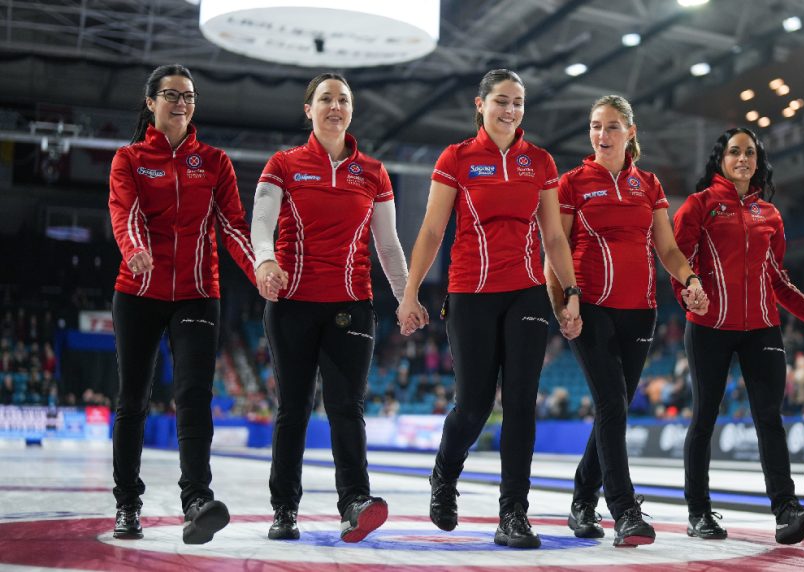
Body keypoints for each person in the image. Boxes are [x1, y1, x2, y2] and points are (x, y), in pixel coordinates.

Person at [396, 69, 581, 549]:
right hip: (470, 294)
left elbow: (555, 236)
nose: (511, 110)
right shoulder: (457, 158)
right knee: (474, 406)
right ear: (479, 104)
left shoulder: (538, 161)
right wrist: (411, 292)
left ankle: (513, 514)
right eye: (501, 100)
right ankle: (444, 474)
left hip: (525, 292)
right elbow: (433, 231)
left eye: (518, 102)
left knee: (521, 404)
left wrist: (571, 292)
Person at [250, 72, 410, 544]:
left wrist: (406, 297)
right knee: (293, 409)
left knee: (347, 408)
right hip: (292, 305)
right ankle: (284, 509)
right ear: (309, 109)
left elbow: (388, 246)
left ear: (352, 111)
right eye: (325, 99)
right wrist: (266, 261)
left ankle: (354, 504)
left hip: (352, 308)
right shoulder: (282, 165)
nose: (335, 106)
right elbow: (261, 224)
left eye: (343, 99)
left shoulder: (374, 173)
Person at [545, 95, 707, 547]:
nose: (602, 135)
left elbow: (668, 249)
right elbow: (554, 251)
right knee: (613, 406)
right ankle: (624, 510)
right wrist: (564, 304)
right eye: (596, 126)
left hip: (641, 311)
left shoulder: (649, 184)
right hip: (590, 307)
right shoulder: (573, 182)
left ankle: (581, 500)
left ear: (630, 132)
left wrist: (690, 278)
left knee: (611, 411)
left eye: (612, 126)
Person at [108, 64, 259, 543]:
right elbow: (125, 212)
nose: (181, 102)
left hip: (198, 293)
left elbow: (234, 225)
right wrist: (135, 252)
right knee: (133, 400)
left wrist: (260, 267)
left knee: (194, 396)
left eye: (189, 96)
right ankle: (127, 504)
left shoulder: (214, 162)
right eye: (171, 94)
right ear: (151, 102)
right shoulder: (129, 159)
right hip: (137, 292)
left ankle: (196, 500)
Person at [673, 127, 804, 545]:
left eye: (749, 152)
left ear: (758, 161)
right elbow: (679, 263)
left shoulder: (770, 215)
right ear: (720, 159)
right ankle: (699, 511)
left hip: (762, 327)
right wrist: (690, 295)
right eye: (733, 152)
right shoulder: (699, 206)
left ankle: (786, 511)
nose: (742, 158)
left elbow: (777, 279)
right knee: (704, 418)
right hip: (709, 328)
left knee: (769, 419)